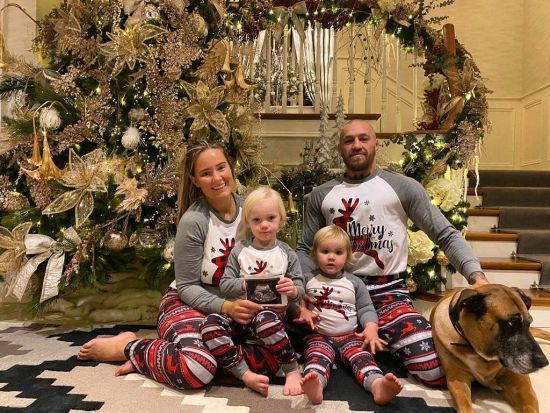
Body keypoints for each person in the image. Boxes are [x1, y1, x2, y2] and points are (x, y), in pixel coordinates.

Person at [296, 119, 489, 387]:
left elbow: (445, 234)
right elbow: (305, 248)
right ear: (340, 149)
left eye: (363, 139)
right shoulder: (322, 194)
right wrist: (304, 287)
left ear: (376, 145)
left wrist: (476, 277)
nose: (356, 145)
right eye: (349, 140)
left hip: (388, 293)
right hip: (337, 291)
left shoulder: (404, 187)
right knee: (280, 337)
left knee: (432, 370)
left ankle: (375, 344)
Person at [78, 141, 276, 389]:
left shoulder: (253, 211)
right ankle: (130, 346)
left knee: (279, 355)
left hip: (233, 312)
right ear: (195, 181)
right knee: (197, 369)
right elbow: (187, 287)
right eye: (206, 173)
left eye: (221, 167)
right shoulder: (194, 221)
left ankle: (167, 356)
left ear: (231, 167)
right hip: (190, 302)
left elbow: (273, 259)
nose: (217, 178)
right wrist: (226, 307)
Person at [200, 186, 304, 397]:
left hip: (270, 319)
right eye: (257, 220)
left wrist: (293, 290)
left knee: (266, 320)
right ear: (247, 222)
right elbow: (225, 284)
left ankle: (291, 369)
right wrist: (245, 284)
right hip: (241, 315)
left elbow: (301, 289)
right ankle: (244, 374)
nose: (264, 225)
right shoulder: (240, 251)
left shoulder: (286, 253)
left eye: (270, 218)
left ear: (281, 220)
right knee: (209, 325)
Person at [300, 226, 404, 405]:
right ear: (315, 254)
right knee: (316, 358)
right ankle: (317, 385)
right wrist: (301, 309)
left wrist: (371, 328)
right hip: (318, 336)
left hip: (350, 336)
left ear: (347, 256)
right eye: (325, 251)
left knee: (363, 359)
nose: (331, 257)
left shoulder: (354, 282)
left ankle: (378, 386)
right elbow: (296, 300)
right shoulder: (307, 279)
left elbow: (366, 308)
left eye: (338, 252)